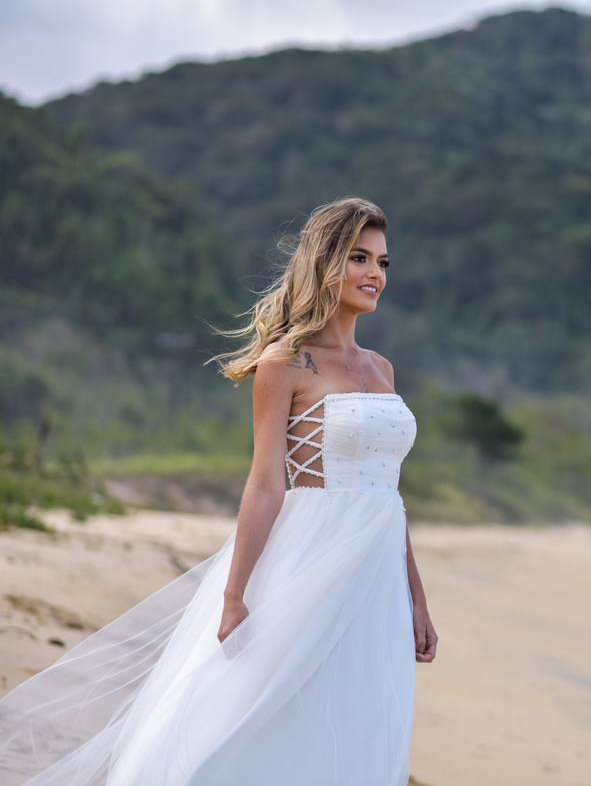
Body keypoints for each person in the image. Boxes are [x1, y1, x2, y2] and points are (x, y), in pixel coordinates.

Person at [0, 197, 436, 785]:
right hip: (309, 558)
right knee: (258, 705)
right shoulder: (287, 361)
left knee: (358, 714)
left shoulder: (382, 367)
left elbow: (390, 495)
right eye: (359, 257)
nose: (374, 274)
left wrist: (417, 597)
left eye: (383, 262)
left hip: (376, 576)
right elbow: (264, 483)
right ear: (324, 262)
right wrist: (235, 592)